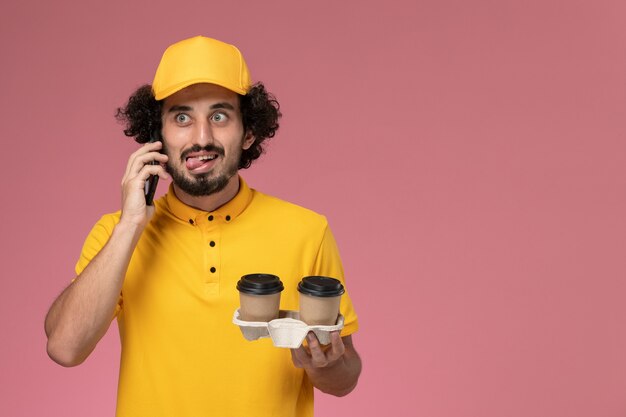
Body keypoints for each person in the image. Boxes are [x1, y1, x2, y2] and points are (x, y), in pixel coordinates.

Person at [44, 36, 361, 416]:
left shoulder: (307, 231)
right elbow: (64, 348)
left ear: (248, 132)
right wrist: (131, 223)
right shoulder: (118, 235)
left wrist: (328, 366)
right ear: (157, 137)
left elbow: (345, 378)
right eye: (181, 118)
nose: (202, 138)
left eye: (219, 116)